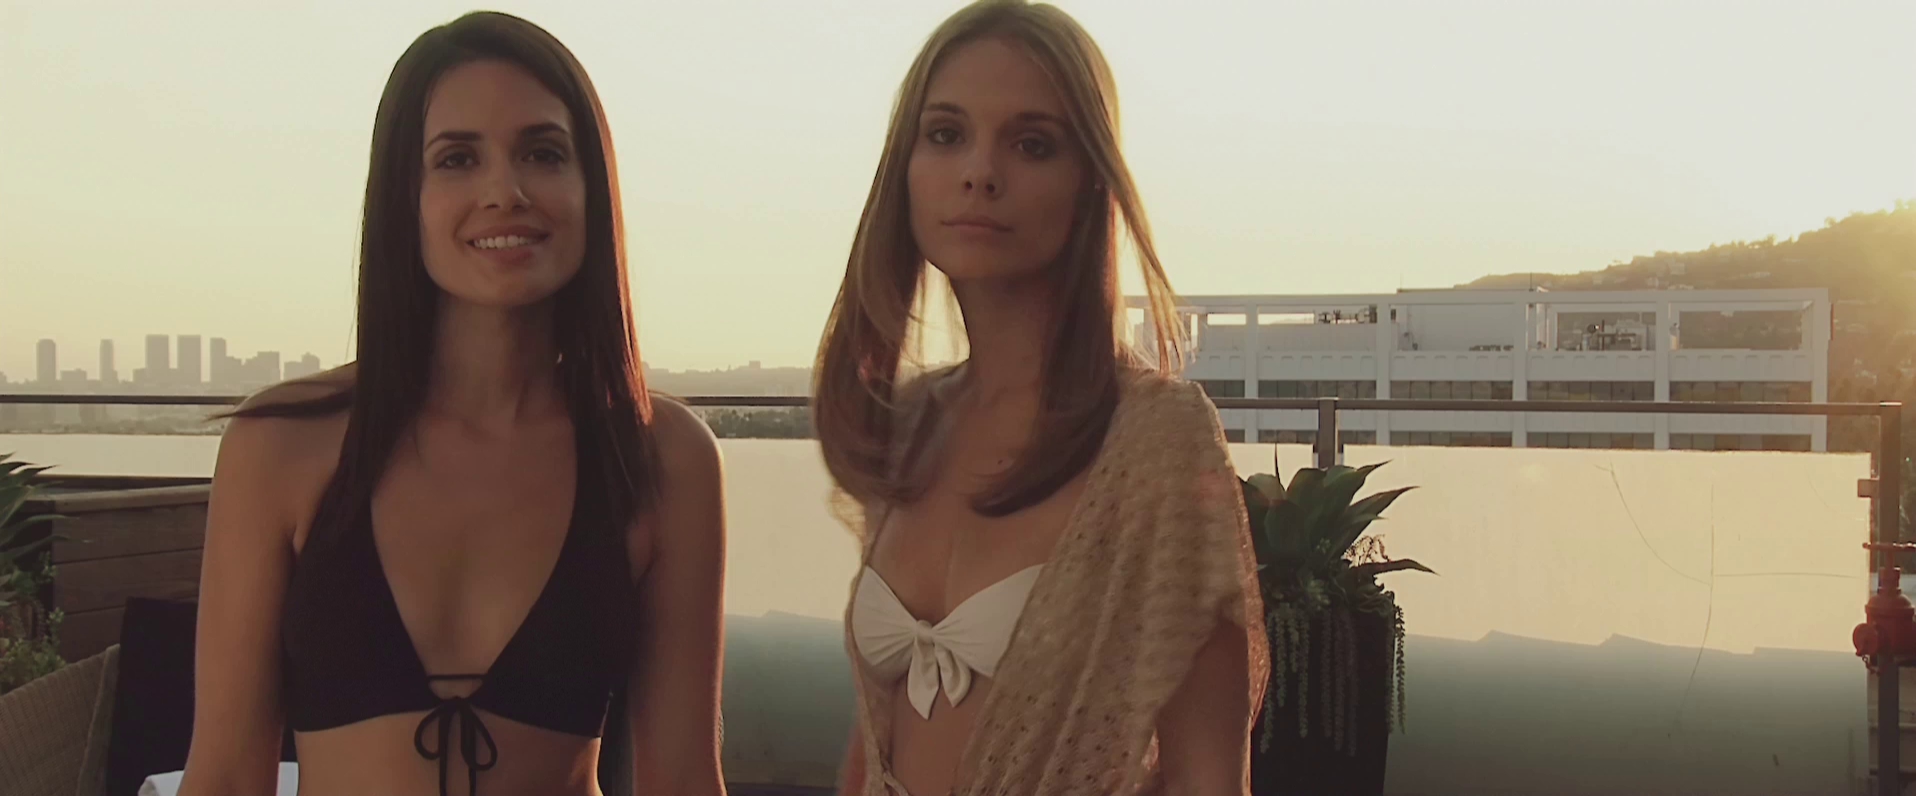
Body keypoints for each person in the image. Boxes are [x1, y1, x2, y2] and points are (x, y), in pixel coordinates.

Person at [178, 12, 727, 796]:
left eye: (543, 153)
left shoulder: (663, 456)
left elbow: (684, 781)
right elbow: (227, 777)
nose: (505, 192)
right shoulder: (280, 448)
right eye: (457, 159)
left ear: (592, 190)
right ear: (405, 196)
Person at [811, 2, 1269, 794]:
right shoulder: (910, 425)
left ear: (1090, 182)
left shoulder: (1155, 439)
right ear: (904, 168)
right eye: (945, 134)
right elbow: (873, 741)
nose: (979, 172)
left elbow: (1209, 778)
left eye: (1032, 144)